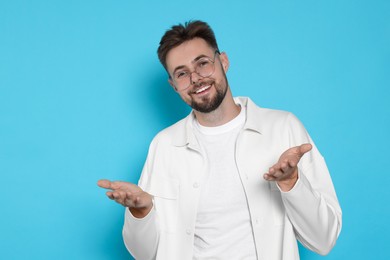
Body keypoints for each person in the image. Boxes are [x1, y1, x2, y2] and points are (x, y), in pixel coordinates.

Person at [98, 20, 342, 260]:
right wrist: (141, 211)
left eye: (203, 63)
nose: (195, 79)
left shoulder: (283, 128)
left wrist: (292, 182)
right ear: (173, 86)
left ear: (223, 61)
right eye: (182, 73)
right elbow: (145, 254)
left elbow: (324, 239)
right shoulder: (164, 145)